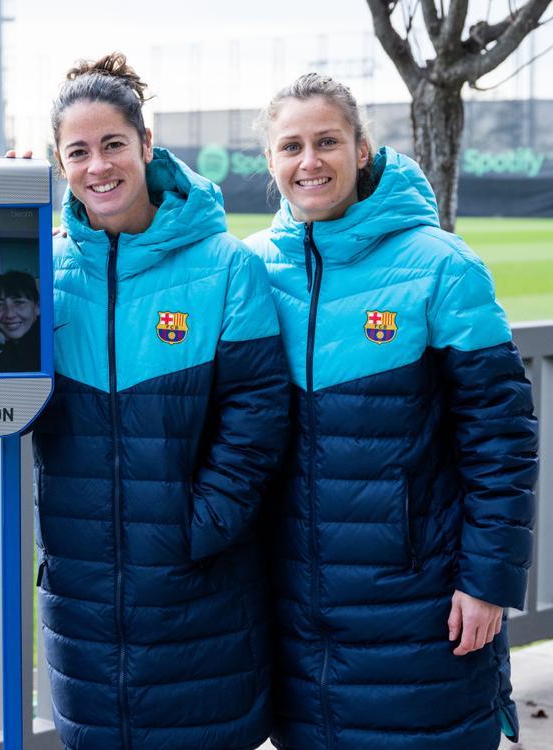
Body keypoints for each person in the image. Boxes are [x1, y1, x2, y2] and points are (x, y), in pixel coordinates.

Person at [245, 73, 538, 750]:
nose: (310, 161)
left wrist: (486, 583)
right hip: (292, 611)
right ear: (271, 161)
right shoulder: (251, 268)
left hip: (420, 605)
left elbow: (501, 441)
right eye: (292, 145)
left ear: (363, 148)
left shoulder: (441, 267)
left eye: (327, 141)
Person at [28, 53, 289, 749]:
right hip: (83, 598)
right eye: (77, 152)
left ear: (146, 144)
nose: (98, 166)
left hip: (197, 591)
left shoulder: (226, 267)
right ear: (59, 164)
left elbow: (257, 416)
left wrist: (194, 530)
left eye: (113, 144)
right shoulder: (39, 272)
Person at [0, 270, 39, 373]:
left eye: (19, 302)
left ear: (37, 307)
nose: (9, 314)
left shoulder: (54, 355)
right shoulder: (2, 361)